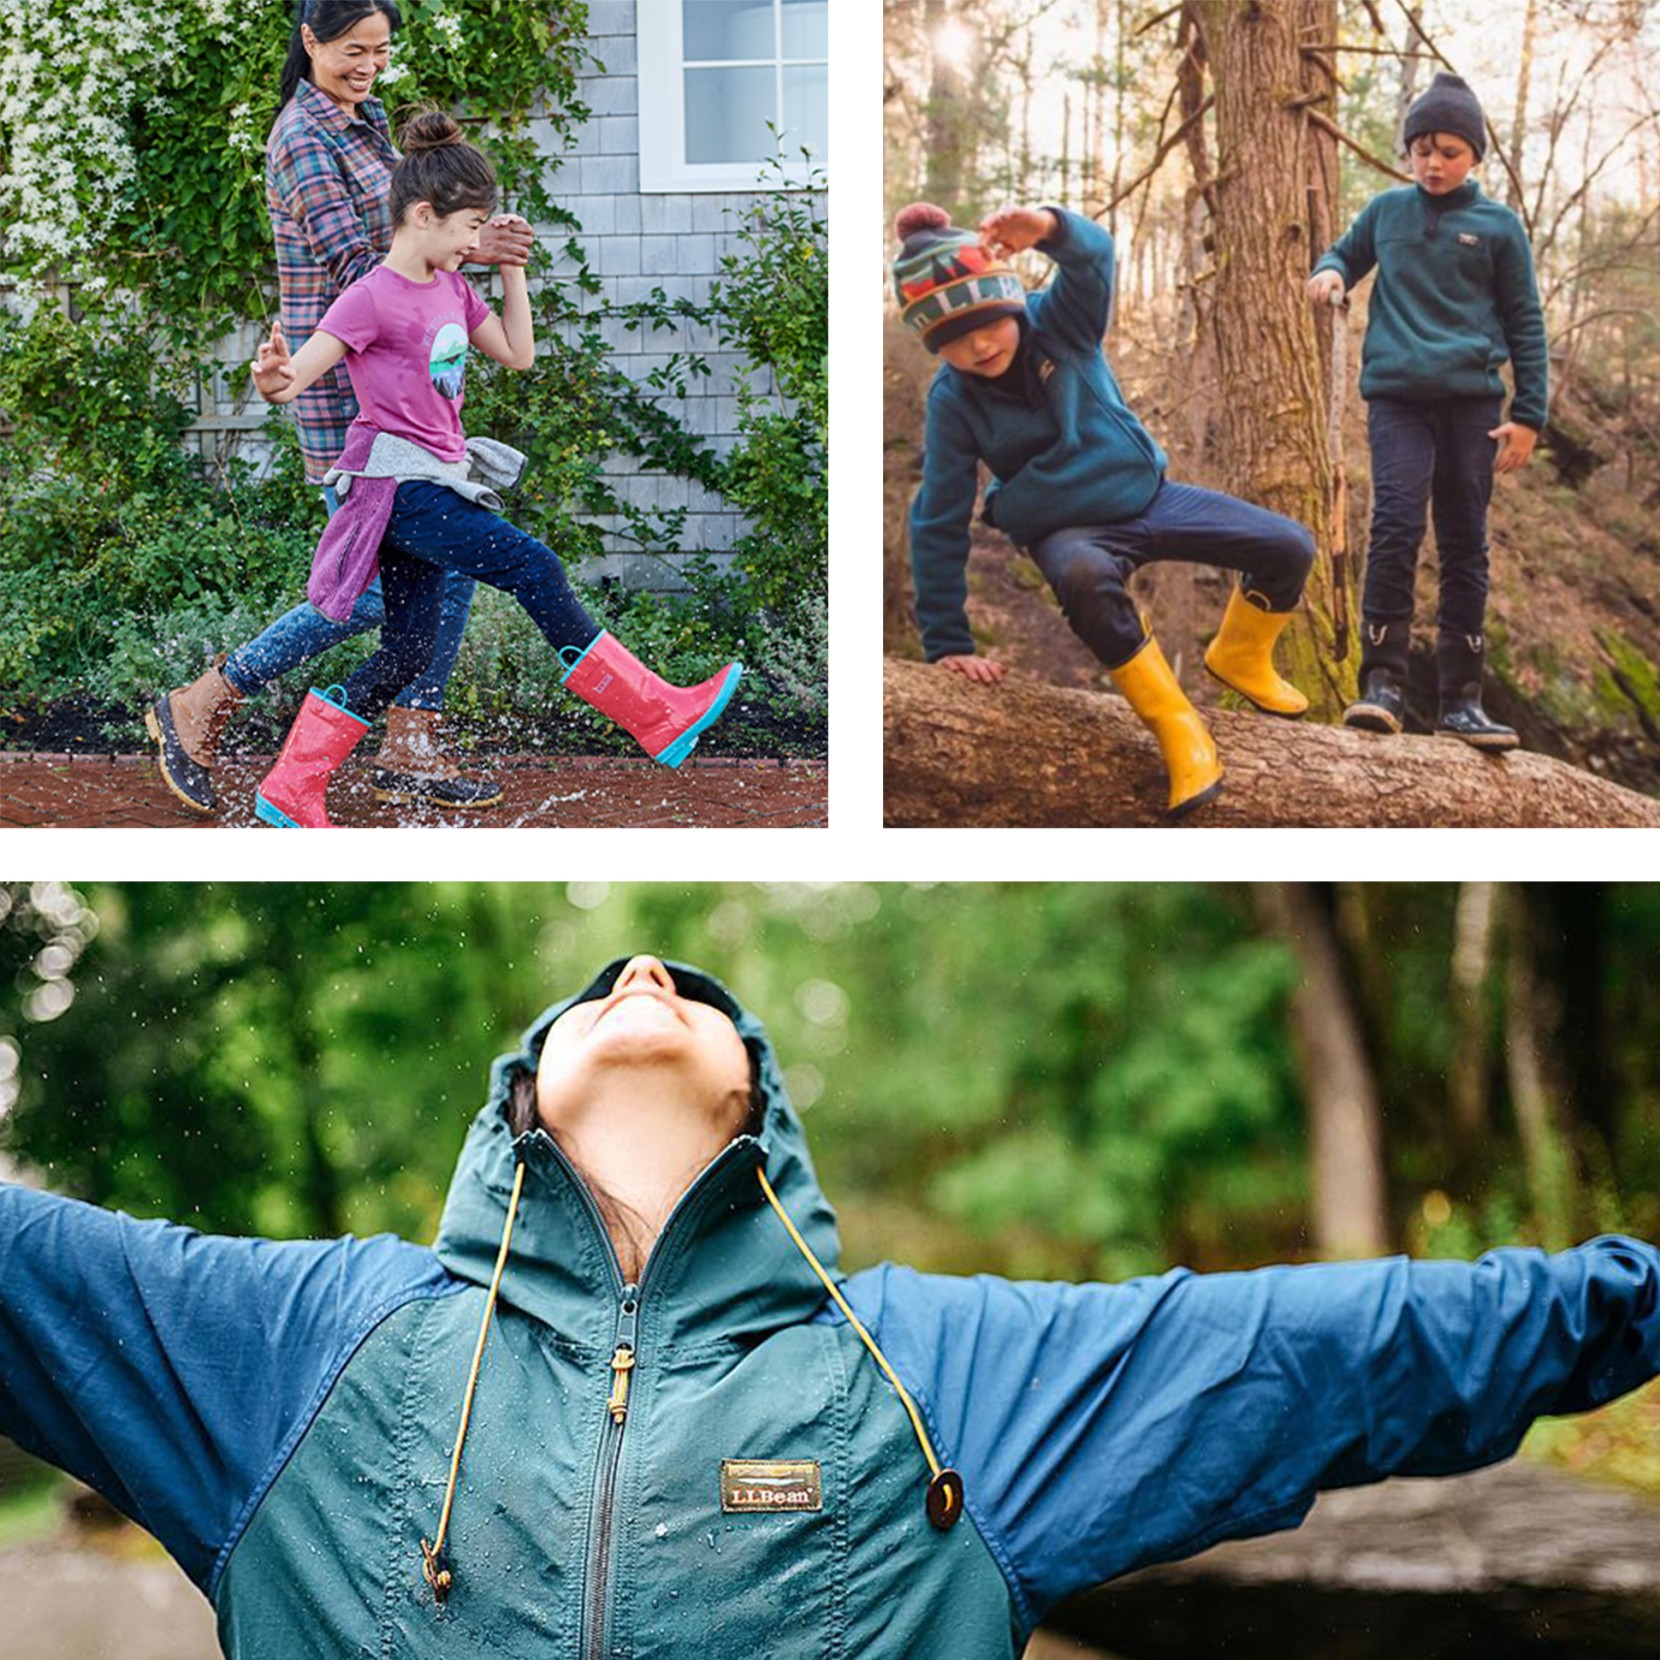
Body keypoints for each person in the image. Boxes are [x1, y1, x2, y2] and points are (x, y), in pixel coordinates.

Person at [1, 953, 1656, 1660]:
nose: (648, 979)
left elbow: (1346, 1345)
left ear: (759, 1110)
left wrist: (1634, 1298)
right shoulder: (304, 1345)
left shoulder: (934, 1371)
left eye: (692, 993)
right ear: (517, 1095)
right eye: (605, 990)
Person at [247, 116, 741, 828]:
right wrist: (270, 378)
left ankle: (292, 784)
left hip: (436, 478)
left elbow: (516, 352)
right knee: (535, 565)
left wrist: (510, 268)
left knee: (408, 649)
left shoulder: (452, 288)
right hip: (393, 485)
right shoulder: (371, 297)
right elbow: (295, 379)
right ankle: (656, 713)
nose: (474, 242)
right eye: (468, 228)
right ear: (423, 216)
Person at [146, 0, 532, 816]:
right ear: (310, 40)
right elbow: (367, 264)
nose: (369, 64)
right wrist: (469, 249)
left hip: (410, 398)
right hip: (344, 397)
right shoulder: (304, 138)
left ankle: (412, 737)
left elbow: (412, 241)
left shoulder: (366, 123)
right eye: (354, 49)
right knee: (365, 593)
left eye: (381, 50)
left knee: (446, 558)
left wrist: (465, 245)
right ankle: (206, 697)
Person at [896, 201, 1318, 817]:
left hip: (1149, 496)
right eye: (954, 339)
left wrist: (1046, 228)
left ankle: (1240, 655)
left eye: (988, 322)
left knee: (1289, 545)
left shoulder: (1062, 324)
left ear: (1011, 304)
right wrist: (946, 642)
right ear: (936, 344)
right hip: (1068, 531)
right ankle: (1178, 728)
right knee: (1084, 579)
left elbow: (1094, 260)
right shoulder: (952, 401)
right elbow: (937, 514)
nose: (979, 343)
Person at [1308, 72, 1548, 750]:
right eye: (1421, 149)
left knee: (1466, 540)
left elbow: (1526, 323)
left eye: (1447, 150)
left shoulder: (1499, 228)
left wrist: (1530, 414)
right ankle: (1380, 683)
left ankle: (1460, 700)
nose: (1433, 163)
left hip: (1475, 404)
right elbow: (1343, 255)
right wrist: (1328, 273)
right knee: (1395, 524)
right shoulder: (1387, 212)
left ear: (1473, 154)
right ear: (1409, 152)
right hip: (1397, 398)